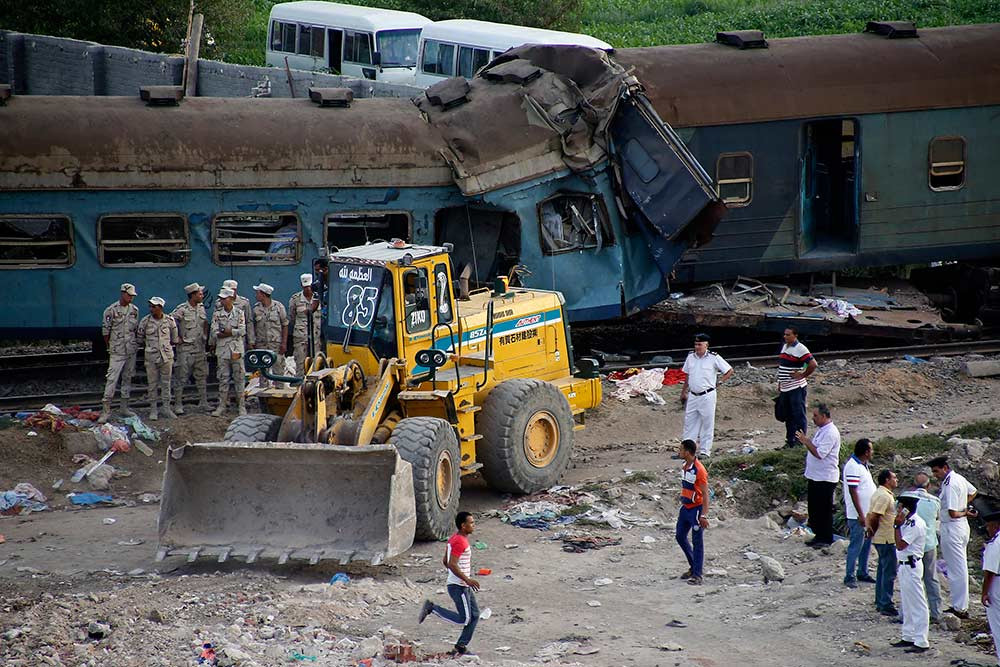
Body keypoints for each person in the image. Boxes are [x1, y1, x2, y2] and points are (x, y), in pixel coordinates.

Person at [418, 512, 481, 657]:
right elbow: (452, 564)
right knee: (464, 618)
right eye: (471, 523)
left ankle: (460, 646)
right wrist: (467, 580)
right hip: (459, 586)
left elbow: (445, 562)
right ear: (463, 526)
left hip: (460, 584)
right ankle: (432, 608)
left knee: (475, 615)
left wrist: (458, 576)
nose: (473, 525)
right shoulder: (460, 541)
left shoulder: (454, 538)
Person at [929, 455, 978, 619]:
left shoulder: (950, 484)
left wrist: (963, 510)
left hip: (952, 527)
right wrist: (963, 504)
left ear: (944, 468)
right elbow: (973, 492)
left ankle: (960, 607)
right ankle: (960, 604)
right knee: (959, 566)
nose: (935, 475)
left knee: (956, 568)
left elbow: (952, 512)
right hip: (961, 527)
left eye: (936, 471)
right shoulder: (959, 478)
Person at [680, 333, 733, 458]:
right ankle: (688, 451)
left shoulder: (713, 357)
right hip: (693, 395)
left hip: (707, 395)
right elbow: (688, 375)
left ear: (706, 345)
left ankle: (705, 451)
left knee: (707, 424)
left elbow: (729, 370)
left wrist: (719, 382)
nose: (697, 347)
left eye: (700, 344)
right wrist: (683, 391)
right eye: (696, 344)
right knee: (689, 424)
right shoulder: (690, 357)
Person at [796, 404, 840, 548]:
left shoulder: (831, 432)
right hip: (816, 476)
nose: (813, 419)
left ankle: (825, 538)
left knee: (824, 510)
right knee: (814, 509)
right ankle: (818, 535)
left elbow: (820, 453)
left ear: (824, 416)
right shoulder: (822, 431)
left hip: (825, 478)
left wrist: (806, 441)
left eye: (815, 416)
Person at [892, 492, 930, 653]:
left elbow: (901, 545)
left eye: (900, 507)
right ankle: (908, 635)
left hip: (912, 565)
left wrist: (896, 526)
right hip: (904, 566)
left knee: (918, 603)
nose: (898, 510)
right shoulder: (907, 522)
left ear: (906, 509)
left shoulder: (916, 524)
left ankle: (921, 640)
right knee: (907, 603)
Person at [98, 283, 140, 424]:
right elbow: (106, 332)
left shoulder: (134, 310)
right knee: (112, 379)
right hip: (117, 350)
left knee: (128, 377)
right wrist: (110, 346)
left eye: (132, 296)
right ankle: (106, 410)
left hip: (130, 350)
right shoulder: (111, 310)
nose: (131, 298)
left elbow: (134, 330)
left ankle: (124, 407)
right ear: (122, 293)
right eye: (129, 295)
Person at [136, 296, 179, 421]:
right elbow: (140, 339)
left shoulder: (170, 321)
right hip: (151, 357)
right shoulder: (145, 322)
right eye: (150, 306)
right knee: (152, 384)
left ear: (160, 307)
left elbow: (174, 339)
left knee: (166, 383)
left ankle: (166, 408)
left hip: (166, 357)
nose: (151, 309)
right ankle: (153, 409)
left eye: (154, 306)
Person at [675, 438, 710, 585]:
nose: (679, 452)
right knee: (680, 536)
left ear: (688, 452)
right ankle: (693, 566)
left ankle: (697, 575)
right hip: (686, 508)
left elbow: (705, 494)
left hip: (695, 509)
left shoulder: (699, 470)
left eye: (681, 449)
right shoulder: (685, 466)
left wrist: (703, 515)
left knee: (697, 542)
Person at [170, 283, 209, 414]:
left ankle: (203, 402)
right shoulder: (182, 309)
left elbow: (205, 323)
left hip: (199, 348)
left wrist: (205, 335)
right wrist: (177, 338)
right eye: (200, 293)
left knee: (202, 376)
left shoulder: (201, 308)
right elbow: (171, 321)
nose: (202, 295)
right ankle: (178, 404)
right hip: (185, 349)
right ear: (192, 295)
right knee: (181, 376)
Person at [842, 438, 876, 588]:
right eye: (871, 450)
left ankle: (862, 571)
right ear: (866, 452)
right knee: (856, 544)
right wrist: (861, 514)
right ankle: (849, 575)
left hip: (868, 513)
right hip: (858, 515)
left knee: (866, 544)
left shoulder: (862, 465)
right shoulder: (852, 466)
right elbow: (853, 491)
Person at [777, 327, 817, 448]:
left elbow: (813, 364)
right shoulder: (785, 346)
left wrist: (803, 375)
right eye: (785, 334)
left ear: (795, 335)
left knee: (798, 415)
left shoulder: (801, 348)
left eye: (788, 335)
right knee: (788, 416)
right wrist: (780, 382)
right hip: (785, 388)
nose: (785, 337)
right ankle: (790, 441)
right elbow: (783, 366)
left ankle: (800, 442)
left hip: (796, 388)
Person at [210, 288, 247, 417]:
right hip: (222, 350)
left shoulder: (239, 313)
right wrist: (231, 331)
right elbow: (214, 333)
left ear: (231, 298)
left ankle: (241, 406)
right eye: (221, 298)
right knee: (223, 378)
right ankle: (222, 405)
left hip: (236, 349)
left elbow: (242, 331)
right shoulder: (217, 314)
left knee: (239, 378)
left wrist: (227, 331)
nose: (222, 300)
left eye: (224, 298)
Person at [911, 471, 943, 622]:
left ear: (913, 485)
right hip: (929, 543)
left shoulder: (906, 498)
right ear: (928, 486)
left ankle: (910, 612)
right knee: (931, 578)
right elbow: (937, 517)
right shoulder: (934, 501)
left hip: (910, 544)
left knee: (912, 579)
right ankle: (936, 612)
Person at [868, 469, 899, 616]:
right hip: (886, 537)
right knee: (889, 571)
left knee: (882, 570)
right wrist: (872, 530)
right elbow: (874, 516)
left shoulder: (879, 493)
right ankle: (885, 603)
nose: (896, 479)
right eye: (894, 477)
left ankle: (880, 600)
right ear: (887, 480)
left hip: (882, 537)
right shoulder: (884, 497)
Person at [251, 283, 288, 389]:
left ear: (263, 294)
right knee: (263, 372)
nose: (256, 295)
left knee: (278, 370)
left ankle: (279, 392)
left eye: (257, 293)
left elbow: (285, 325)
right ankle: (264, 396)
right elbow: (252, 326)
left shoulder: (278, 307)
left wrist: (284, 343)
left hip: (275, 344)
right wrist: (252, 342)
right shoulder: (256, 309)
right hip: (261, 345)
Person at [288, 273, 322, 376]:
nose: (307, 289)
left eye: (309, 287)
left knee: (316, 363)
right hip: (300, 337)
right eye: (305, 287)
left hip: (316, 337)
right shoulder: (295, 299)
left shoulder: (319, 298)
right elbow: (292, 316)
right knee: (300, 363)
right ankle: (299, 385)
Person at [980, 504, 1000, 667]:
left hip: (997, 583)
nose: (987, 529)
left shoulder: (996, 543)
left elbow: (990, 571)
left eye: (989, 525)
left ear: (996, 525)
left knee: (997, 623)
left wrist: (984, 592)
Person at [215, 279, 254, 353]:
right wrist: (212, 343)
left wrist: (251, 342)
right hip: (223, 341)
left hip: (238, 340)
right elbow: (215, 323)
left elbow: (249, 322)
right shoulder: (218, 303)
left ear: (235, 290)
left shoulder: (243, 302)